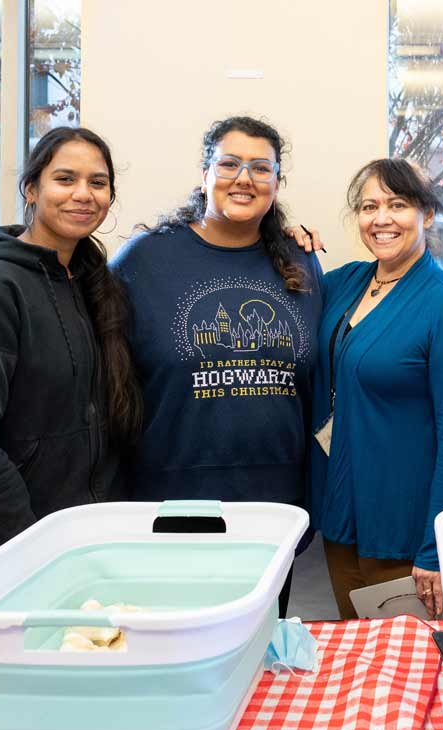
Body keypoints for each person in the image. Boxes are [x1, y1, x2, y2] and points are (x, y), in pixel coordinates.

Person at [111, 116, 322, 617]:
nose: (243, 178)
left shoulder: (300, 262)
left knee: (259, 650)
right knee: (174, 644)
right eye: (228, 164)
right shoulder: (143, 261)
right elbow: (83, 358)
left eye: (260, 168)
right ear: (204, 172)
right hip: (170, 500)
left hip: (274, 503)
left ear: (277, 184)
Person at [0, 127, 142, 579]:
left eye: (97, 183)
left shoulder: (88, 283)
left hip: (79, 544)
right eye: (65, 179)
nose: (83, 194)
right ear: (31, 188)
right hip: (8, 556)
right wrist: (32, 549)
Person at [309, 159, 443, 619]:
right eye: (369, 206)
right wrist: (288, 239)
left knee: (408, 667)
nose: (381, 218)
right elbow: (278, 287)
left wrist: (433, 548)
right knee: (357, 655)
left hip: (403, 528)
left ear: (426, 214)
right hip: (341, 516)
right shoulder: (346, 283)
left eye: (397, 204)